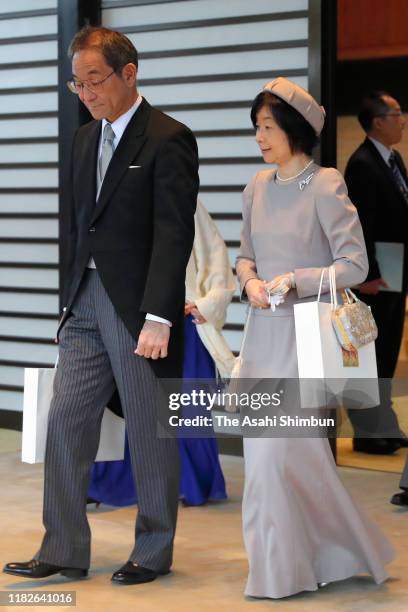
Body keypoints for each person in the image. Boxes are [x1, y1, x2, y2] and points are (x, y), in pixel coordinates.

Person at [3, 26, 199, 585]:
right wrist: (66, 305)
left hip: (138, 309)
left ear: (128, 73)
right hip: (85, 304)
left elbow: (172, 233)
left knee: (148, 426)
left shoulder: (168, 138)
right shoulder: (84, 139)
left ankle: (153, 550)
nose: (87, 93)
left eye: (96, 80)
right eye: (78, 83)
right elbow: (75, 230)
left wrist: (160, 314)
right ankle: (63, 547)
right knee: (65, 421)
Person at [235, 77, 394, 599]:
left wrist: (296, 280)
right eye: (256, 127)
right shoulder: (256, 187)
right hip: (262, 338)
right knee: (274, 462)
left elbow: (355, 264)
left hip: (305, 340)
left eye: (267, 127)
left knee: (284, 459)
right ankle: (293, 564)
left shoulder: (326, 183)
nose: (259, 137)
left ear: (293, 129)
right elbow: (244, 256)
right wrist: (251, 281)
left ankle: (295, 567)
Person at [88, 200, 235, 507]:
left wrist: (207, 304)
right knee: (132, 405)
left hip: (182, 321)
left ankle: (190, 484)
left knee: (186, 408)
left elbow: (215, 256)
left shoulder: (186, 201)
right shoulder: (115, 199)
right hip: (129, 317)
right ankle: (121, 484)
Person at [344, 91, 408, 455]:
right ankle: (368, 432)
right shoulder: (362, 163)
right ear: (378, 121)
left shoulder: (392, 157)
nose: (402, 120)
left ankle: (385, 424)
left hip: (395, 263)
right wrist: (362, 274)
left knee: (387, 349)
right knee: (372, 352)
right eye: (397, 114)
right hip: (375, 271)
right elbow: (360, 225)